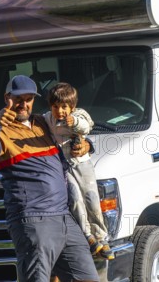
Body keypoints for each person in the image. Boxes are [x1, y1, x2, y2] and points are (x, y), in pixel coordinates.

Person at [0, 74, 99, 282]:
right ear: (7, 98)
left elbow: (70, 138)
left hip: (64, 216)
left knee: (88, 278)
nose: (23, 104)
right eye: (18, 99)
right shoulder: (1, 130)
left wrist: (87, 146)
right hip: (34, 220)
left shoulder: (43, 122)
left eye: (28, 99)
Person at [44, 82, 114, 260]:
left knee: (91, 198)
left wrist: (74, 122)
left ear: (72, 107)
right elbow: (36, 124)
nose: (60, 111)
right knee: (75, 199)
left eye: (64, 107)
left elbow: (86, 126)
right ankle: (88, 236)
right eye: (55, 107)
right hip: (65, 166)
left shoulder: (78, 115)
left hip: (82, 164)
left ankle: (102, 237)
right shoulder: (48, 119)